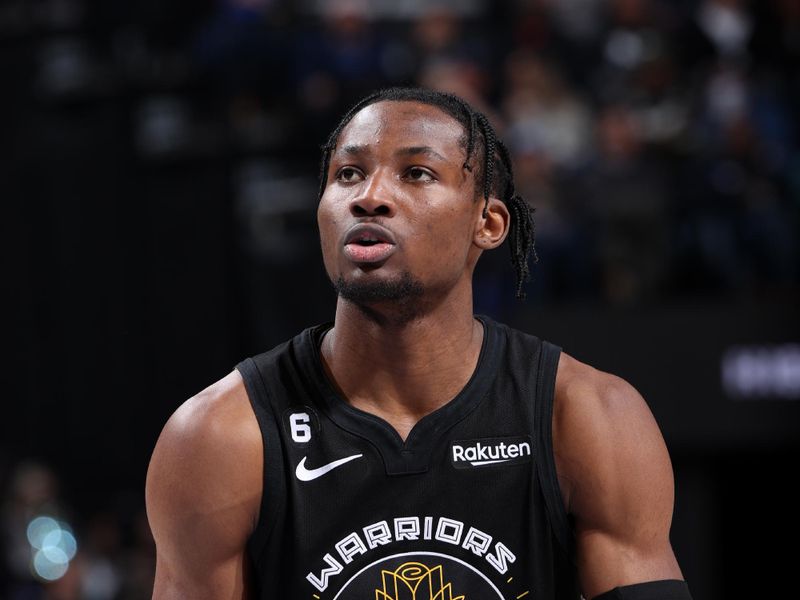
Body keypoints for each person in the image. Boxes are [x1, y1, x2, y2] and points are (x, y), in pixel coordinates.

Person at [145, 87, 692, 599]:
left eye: (416, 173)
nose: (370, 197)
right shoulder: (218, 435)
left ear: (490, 223)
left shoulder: (588, 416)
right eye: (348, 174)